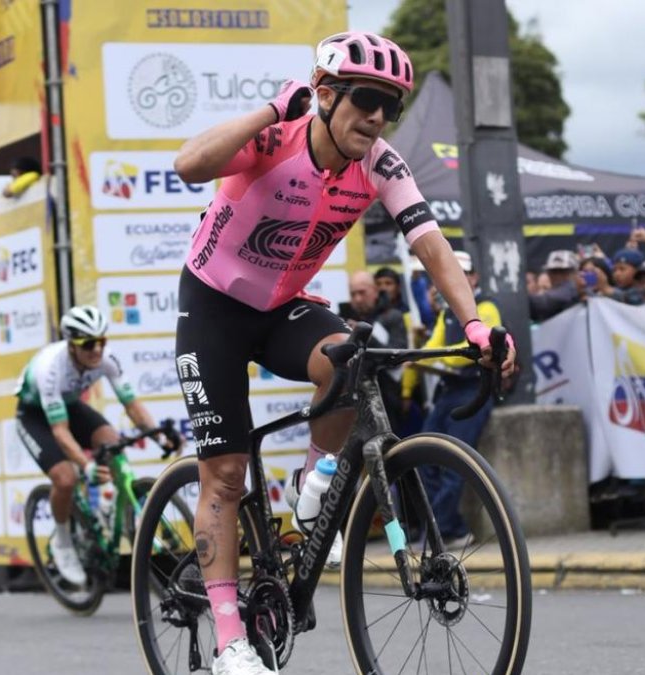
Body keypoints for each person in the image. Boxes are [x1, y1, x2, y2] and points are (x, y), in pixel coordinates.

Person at [171, 32, 515, 674]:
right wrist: (275, 110)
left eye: (392, 105)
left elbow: (432, 246)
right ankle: (230, 640)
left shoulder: (380, 164)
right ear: (325, 96)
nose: (379, 116)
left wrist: (473, 326)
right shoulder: (276, 139)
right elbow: (189, 164)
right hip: (214, 304)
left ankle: (316, 477)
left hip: (279, 306)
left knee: (347, 354)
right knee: (224, 473)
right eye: (366, 99)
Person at [13, 306, 178, 586]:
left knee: (112, 442)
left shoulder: (106, 359)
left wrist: (158, 436)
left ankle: (120, 511)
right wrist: (86, 466)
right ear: (71, 345)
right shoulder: (51, 369)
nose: (97, 349)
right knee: (66, 478)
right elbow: (61, 432)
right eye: (88, 344)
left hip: (69, 405)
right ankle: (63, 542)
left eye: (101, 341)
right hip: (34, 417)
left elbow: (132, 405)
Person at [400, 251, 499, 549]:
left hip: (474, 390)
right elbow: (431, 348)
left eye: (463, 272)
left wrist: (431, 359)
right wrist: (410, 381)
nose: (457, 278)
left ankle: (443, 532)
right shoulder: (446, 313)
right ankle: (442, 528)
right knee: (423, 459)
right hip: (448, 392)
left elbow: (472, 347)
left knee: (452, 462)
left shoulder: (487, 307)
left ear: (474, 277)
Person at [342, 270, 411, 436]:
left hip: (385, 398)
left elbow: (396, 356)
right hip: (352, 399)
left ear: (374, 291)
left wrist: (365, 335)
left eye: (362, 292)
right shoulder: (343, 319)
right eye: (353, 294)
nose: (358, 299)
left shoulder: (392, 316)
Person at [529, 250, 580, 321]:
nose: (557, 275)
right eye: (553, 271)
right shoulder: (552, 293)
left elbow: (550, 300)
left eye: (562, 271)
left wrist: (519, 298)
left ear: (574, 272)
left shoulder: (573, 289)